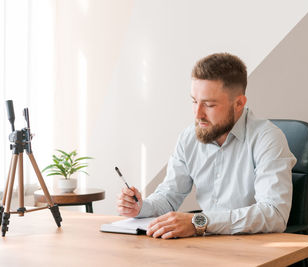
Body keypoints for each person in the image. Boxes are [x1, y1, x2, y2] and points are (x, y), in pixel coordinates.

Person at [117, 52, 297, 239]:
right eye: (194, 101)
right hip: (205, 245)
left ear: (239, 103)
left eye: (209, 105)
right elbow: (168, 197)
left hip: (253, 249)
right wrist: (140, 207)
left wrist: (199, 222)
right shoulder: (189, 137)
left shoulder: (268, 139)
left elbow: (274, 214)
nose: (197, 114)